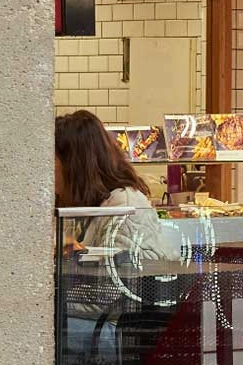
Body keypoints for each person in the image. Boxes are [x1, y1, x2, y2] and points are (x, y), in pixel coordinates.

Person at [55, 110, 171, 261]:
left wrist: (75, 254)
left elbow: (124, 275)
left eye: (53, 159)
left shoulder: (125, 207)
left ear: (75, 165)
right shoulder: (86, 203)